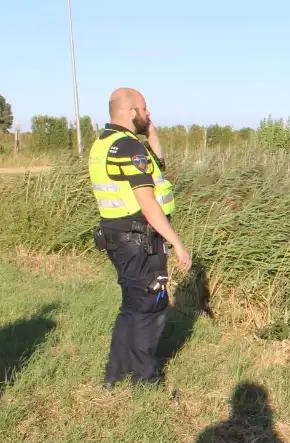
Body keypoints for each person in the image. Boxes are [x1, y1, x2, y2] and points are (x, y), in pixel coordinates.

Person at [88, 88, 192, 387]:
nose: (148, 113)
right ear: (132, 111)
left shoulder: (107, 144)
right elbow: (148, 203)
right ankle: (144, 378)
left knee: (133, 305)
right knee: (152, 306)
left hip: (119, 238)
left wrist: (150, 129)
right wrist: (176, 241)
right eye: (145, 109)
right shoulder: (130, 149)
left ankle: (116, 372)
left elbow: (158, 163)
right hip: (139, 240)